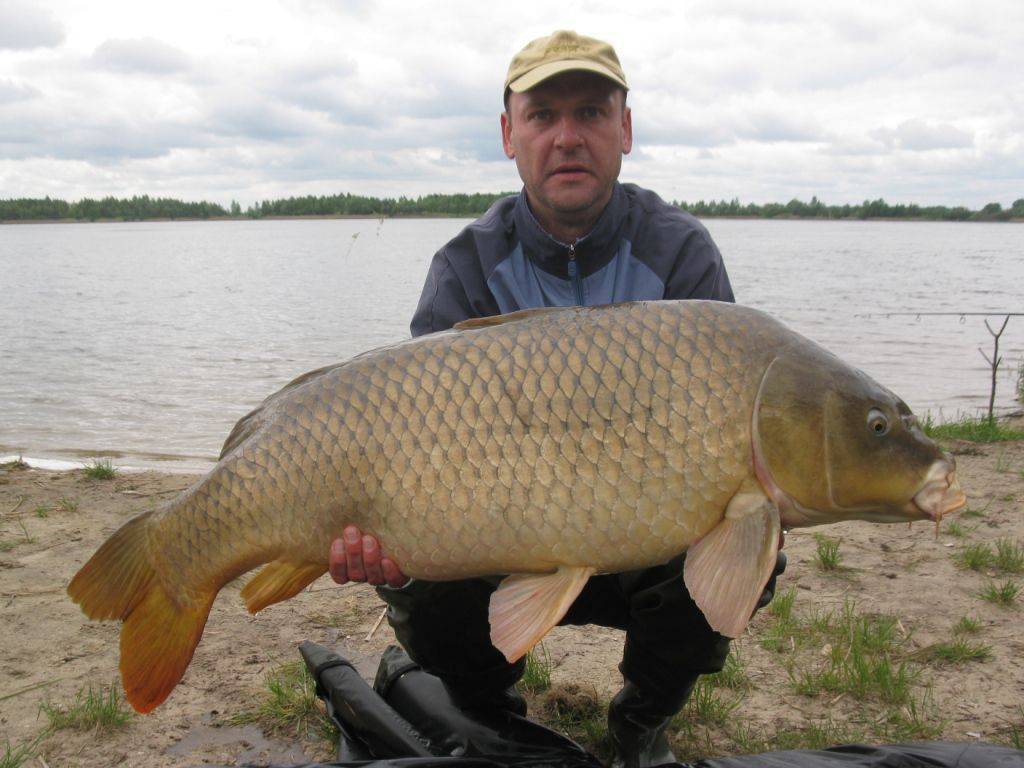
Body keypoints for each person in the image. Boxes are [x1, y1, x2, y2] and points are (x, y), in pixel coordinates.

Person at [327, 30, 785, 768]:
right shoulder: (466, 266)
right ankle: (488, 717)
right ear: (510, 136)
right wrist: (387, 543)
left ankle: (642, 721)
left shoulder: (680, 254)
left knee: (755, 542)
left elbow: (734, 427)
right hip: (502, 537)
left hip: (646, 541)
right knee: (418, 580)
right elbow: (414, 448)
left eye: (592, 113)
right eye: (543, 116)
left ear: (625, 130)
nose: (567, 137)